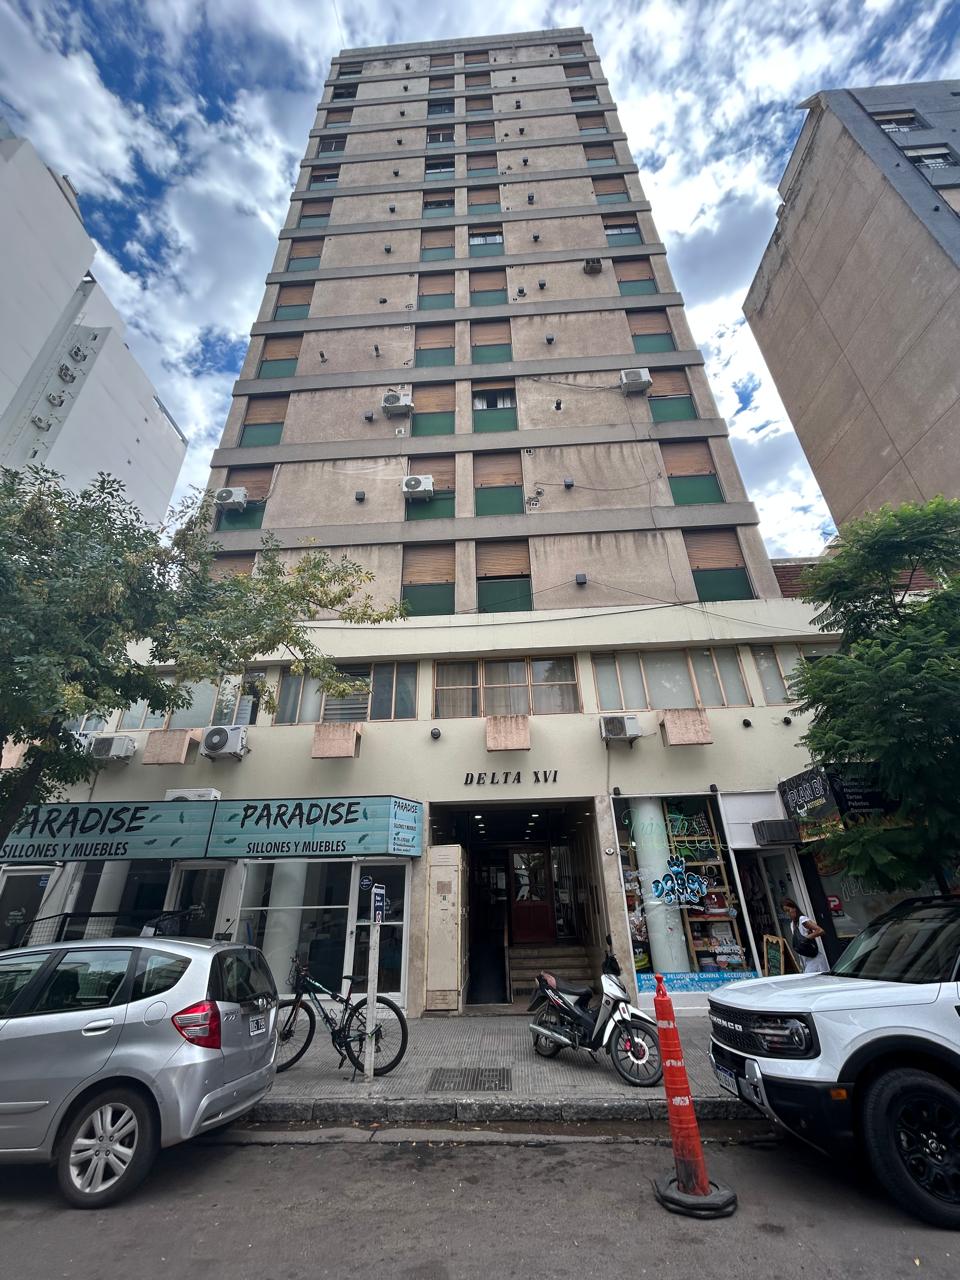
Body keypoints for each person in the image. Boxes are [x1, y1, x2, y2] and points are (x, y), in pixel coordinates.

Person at [782, 897, 829, 974]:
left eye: (788, 910)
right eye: (785, 912)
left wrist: (806, 938)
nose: (787, 914)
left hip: (815, 960)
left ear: (794, 908)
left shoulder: (802, 920)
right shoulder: (792, 925)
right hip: (805, 961)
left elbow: (820, 931)